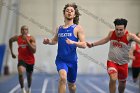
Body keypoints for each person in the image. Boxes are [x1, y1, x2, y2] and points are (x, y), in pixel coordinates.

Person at [86, 18, 140, 93]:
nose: (118, 32)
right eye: (117, 29)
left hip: (123, 64)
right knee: (113, 77)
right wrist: (92, 44)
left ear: (125, 28)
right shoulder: (112, 33)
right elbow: (105, 40)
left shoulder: (130, 36)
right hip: (112, 62)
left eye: (121, 30)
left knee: (122, 85)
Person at [43, 3, 86, 93]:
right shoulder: (59, 28)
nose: (69, 12)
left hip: (72, 61)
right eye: (67, 10)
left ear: (74, 14)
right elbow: (54, 41)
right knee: (62, 78)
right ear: (64, 13)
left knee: (72, 86)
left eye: (71, 11)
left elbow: (84, 44)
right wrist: (48, 42)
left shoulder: (77, 28)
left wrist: (73, 42)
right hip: (61, 60)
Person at [9, 25, 36, 93]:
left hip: (30, 60)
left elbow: (34, 50)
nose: (24, 31)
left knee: (29, 77)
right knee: (20, 72)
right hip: (21, 59)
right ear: (21, 31)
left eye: (25, 29)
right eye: (22, 29)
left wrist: (27, 41)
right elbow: (10, 40)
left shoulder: (31, 38)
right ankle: (22, 89)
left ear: (28, 31)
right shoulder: (18, 38)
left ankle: (29, 88)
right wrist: (12, 52)